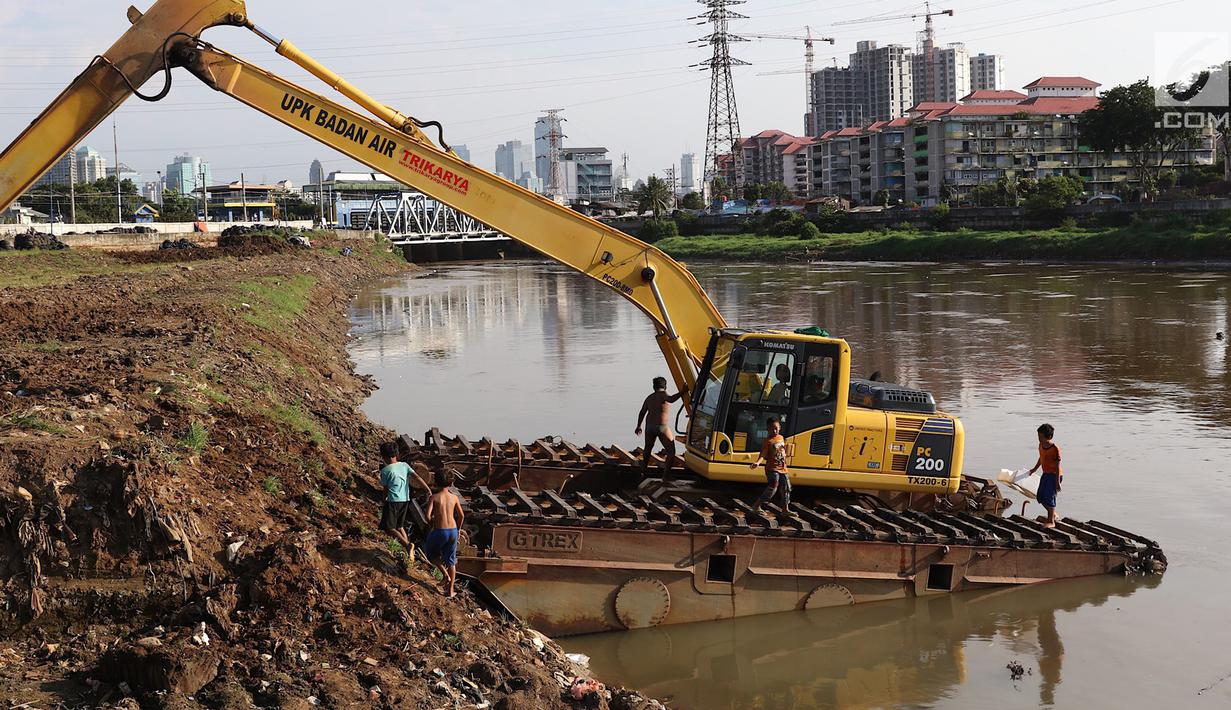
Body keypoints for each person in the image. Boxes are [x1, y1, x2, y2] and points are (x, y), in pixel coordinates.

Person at [424, 469, 464, 598]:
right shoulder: (454, 497)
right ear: (451, 482)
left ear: (435, 482)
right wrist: (458, 529)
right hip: (452, 531)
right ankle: (450, 590)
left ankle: (445, 575)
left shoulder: (434, 497)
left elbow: (427, 516)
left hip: (440, 531)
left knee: (431, 554)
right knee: (451, 562)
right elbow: (461, 515)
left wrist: (432, 524)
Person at [635, 377, 687, 474]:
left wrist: (638, 426)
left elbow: (642, 412)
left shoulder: (649, 398)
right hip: (661, 427)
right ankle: (666, 475)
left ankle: (644, 469)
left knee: (648, 448)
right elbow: (671, 399)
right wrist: (683, 391)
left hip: (649, 427)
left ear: (654, 386)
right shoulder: (663, 394)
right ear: (665, 386)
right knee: (671, 451)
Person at [750, 417, 790, 511]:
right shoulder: (768, 441)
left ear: (780, 427)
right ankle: (756, 505)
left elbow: (782, 450)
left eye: (776, 428)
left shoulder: (781, 438)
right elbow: (763, 454)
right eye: (771, 429)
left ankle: (785, 509)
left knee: (786, 488)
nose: (774, 430)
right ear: (767, 429)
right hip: (772, 469)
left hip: (783, 468)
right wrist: (757, 463)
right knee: (773, 487)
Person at [1028, 423, 1063, 528]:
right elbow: (1041, 458)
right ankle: (1052, 514)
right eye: (1038, 436)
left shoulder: (1055, 449)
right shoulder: (1041, 446)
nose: (1039, 439)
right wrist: (1034, 469)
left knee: (1049, 497)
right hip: (1046, 474)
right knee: (1040, 496)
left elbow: (1057, 466)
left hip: (1054, 475)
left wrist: (1057, 483)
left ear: (1049, 437)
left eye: (1041, 437)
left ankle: (1051, 520)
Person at [378, 442, 411, 550]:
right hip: (405, 499)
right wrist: (427, 489)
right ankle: (408, 549)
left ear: (383, 456)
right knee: (400, 526)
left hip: (393, 501)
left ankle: (407, 545)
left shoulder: (385, 471)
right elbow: (417, 477)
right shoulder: (405, 465)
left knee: (390, 528)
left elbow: (385, 489)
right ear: (396, 453)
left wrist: (383, 501)